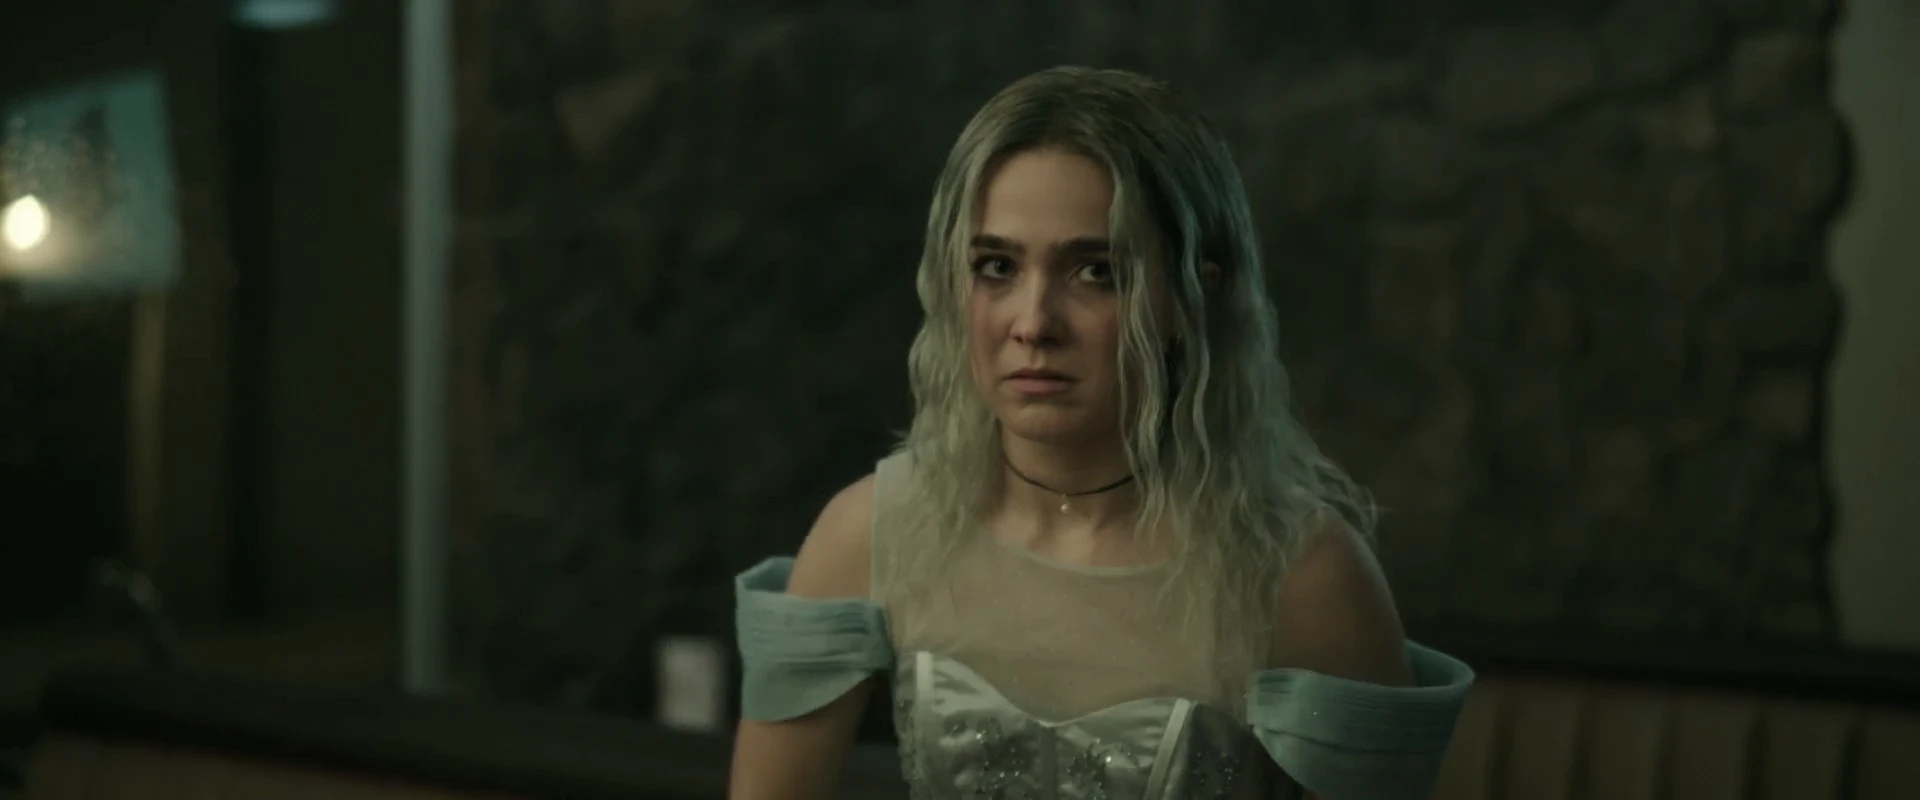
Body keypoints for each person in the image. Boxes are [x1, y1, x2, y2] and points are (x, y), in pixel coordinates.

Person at [728, 65, 1475, 800]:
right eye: (997, 266)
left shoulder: (1303, 578)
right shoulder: (872, 533)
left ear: (1191, 296)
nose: (1033, 324)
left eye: (1096, 272)